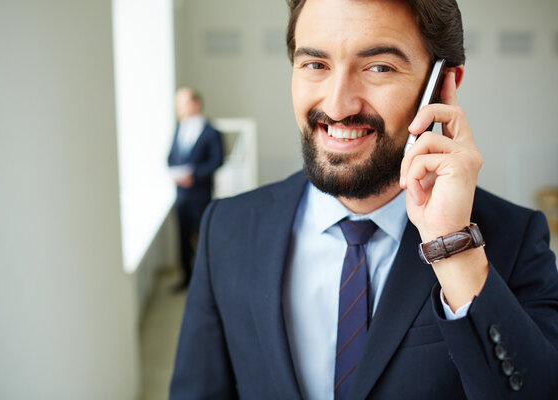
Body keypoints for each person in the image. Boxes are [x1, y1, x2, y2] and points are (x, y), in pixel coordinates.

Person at [170, 0, 558, 399]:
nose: (337, 106)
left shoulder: (514, 239)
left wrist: (453, 247)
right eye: (315, 65)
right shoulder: (227, 229)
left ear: (442, 86)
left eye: (379, 68)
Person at [168, 87, 223, 291]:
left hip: (201, 194)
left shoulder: (211, 131)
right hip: (181, 196)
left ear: (195, 104)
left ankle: (207, 280)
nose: (178, 108)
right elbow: (170, 156)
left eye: (182, 103)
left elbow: (217, 160)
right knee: (182, 238)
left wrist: (195, 175)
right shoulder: (178, 129)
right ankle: (186, 278)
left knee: (203, 237)